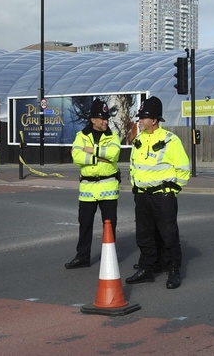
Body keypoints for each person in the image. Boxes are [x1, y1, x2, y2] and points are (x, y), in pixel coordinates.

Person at [126, 96, 190, 289]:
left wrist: (172, 190)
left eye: (143, 117)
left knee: (168, 234)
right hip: (142, 195)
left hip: (163, 196)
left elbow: (183, 168)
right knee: (144, 234)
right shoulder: (138, 139)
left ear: (153, 120)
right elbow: (133, 166)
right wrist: (136, 186)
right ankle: (147, 267)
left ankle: (173, 269)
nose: (140, 120)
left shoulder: (170, 140)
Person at [64, 98, 121, 269]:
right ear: (93, 120)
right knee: (85, 224)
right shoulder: (81, 136)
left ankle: (108, 257)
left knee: (109, 225)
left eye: (106, 118)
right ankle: (82, 256)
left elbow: (114, 154)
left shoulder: (113, 135)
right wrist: (100, 156)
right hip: (88, 188)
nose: (105, 121)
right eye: (102, 118)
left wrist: (92, 151)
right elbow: (77, 157)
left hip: (108, 187)